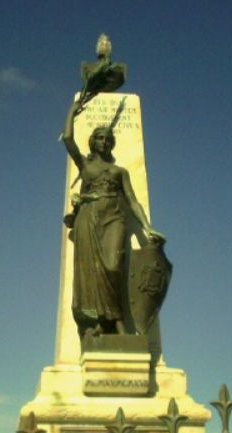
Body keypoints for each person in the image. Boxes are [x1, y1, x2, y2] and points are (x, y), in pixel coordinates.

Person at [62, 100, 165, 339]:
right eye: (100, 137)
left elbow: (132, 200)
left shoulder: (120, 172)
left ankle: (117, 318)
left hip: (113, 217)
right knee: (91, 273)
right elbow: (68, 139)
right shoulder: (85, 164)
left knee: (113, 266)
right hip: (88, 217)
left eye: (108, 138)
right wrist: (72, 111)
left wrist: (146, 227)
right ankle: (105, 323)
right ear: (93, 141)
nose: (104, 141)